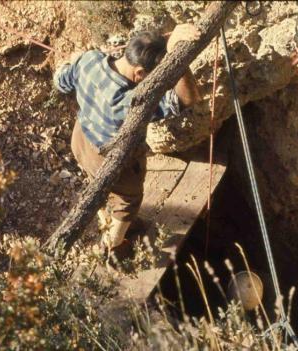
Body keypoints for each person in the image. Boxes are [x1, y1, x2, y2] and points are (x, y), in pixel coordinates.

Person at [53, 24, 201, 256]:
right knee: (128, 201)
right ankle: (113, 245)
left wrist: (71, 62)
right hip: (108, 156)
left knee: (97, 181)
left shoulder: (90, 60)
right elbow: (188, 98)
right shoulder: (134, 103)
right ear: (140, 73)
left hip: (81, 140)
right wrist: (177, 59)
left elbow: (61, 82)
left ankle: (104, 210)